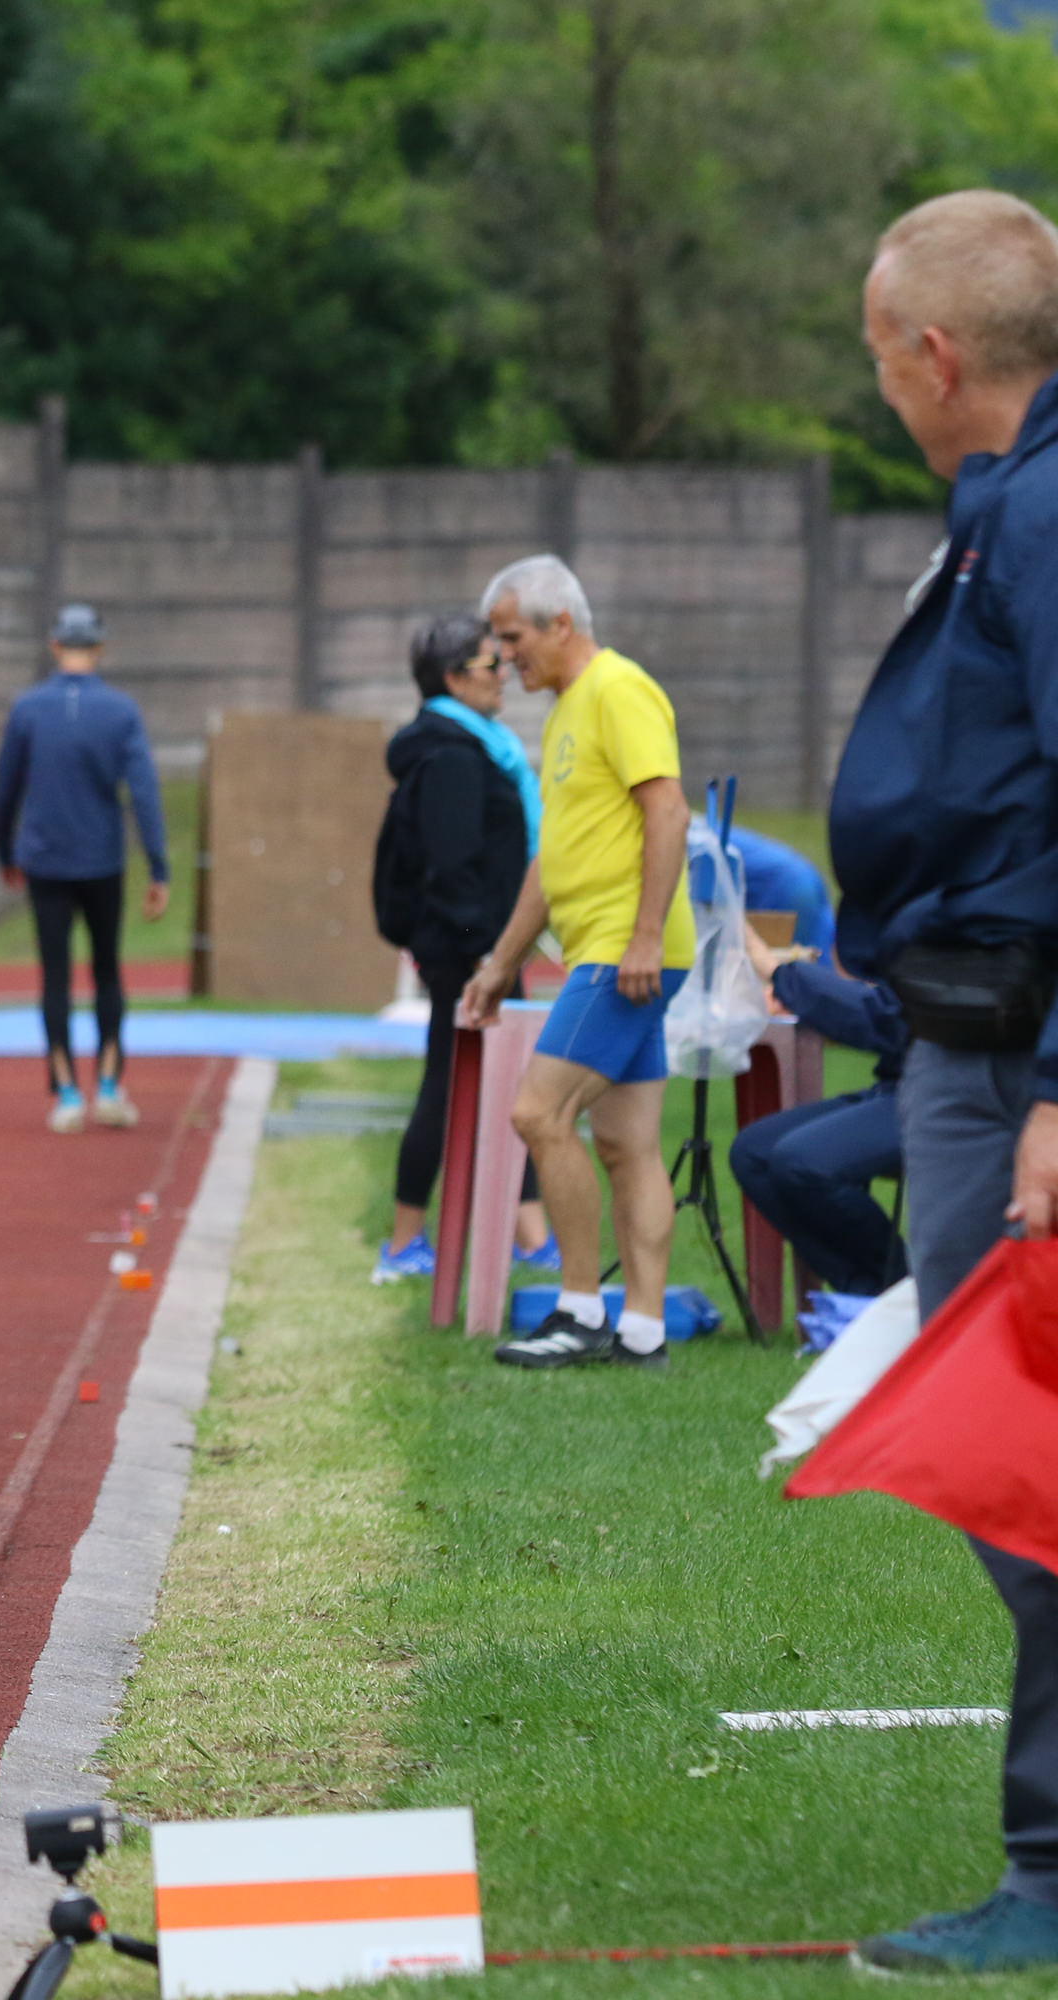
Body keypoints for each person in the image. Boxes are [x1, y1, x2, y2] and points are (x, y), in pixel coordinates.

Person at [826, 187, 1058, 1975]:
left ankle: (1049, 1874)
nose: (879, 387)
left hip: (1016, 1058)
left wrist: (1056, 1084)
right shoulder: (1010, 504)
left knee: (1025, 1468)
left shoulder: (1042, 514)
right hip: (965, 1036)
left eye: (876, 354)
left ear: (934, 352)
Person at [460, 555, 693, 1370]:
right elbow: (550, 862)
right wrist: (501, 963)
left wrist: (643, 936)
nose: (502, 656)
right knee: (627, 1144)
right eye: (496, 641)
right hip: (605, 949)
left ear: (561, 624)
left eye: (511, 637)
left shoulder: (619, 689)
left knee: (538, 1113)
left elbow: (669, 809)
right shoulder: (565, 711)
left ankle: (579, 1309)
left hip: (623, 954)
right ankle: (643, 1332)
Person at [368, 613, 555, 1282]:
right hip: (468, 952)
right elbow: (453, 868)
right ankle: (405, 1243)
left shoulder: (473, 745)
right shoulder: (451, 755)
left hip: (484, 947)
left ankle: (527, 1235)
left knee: (501, 1084)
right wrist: (487, 958)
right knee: (450, 1085)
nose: (503, 673)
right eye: (489, 664)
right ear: (453, 678)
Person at [0, 601, 169, 1133]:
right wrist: (158, 867)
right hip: (102, 860)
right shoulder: (121, 712)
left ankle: (67, 1093)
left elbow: (5, 789)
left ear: (54, 646)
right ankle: (109, 1085)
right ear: (99, 648)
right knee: (108, 970)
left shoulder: (27, 709)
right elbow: (144, 793)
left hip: (45, 860)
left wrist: (5, 852)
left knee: (55, 977)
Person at [728, 924, 906, 1297]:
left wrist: (776, 971)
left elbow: (886, 1019)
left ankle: (903, 1286)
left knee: (802, 1161)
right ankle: (866, 1289)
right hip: (900, 1085)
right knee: (754, 1152)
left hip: (956, 1097)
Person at [690, 825, 834, 958]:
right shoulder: (698, 827)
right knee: (823, 958)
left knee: (784, 967)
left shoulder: (688, 835)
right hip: (806, 875)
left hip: (789, 889)